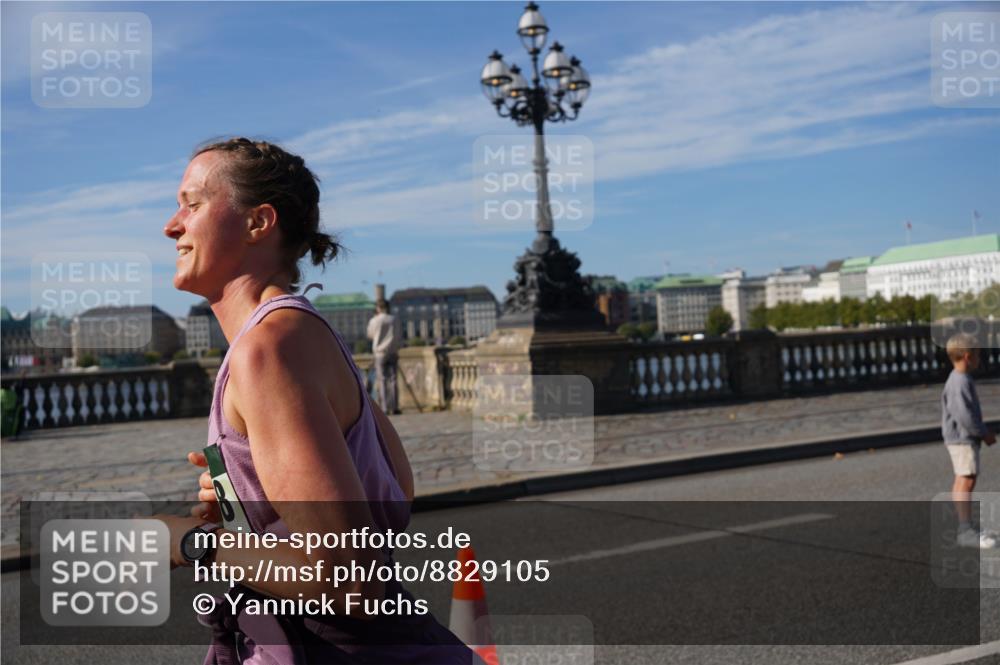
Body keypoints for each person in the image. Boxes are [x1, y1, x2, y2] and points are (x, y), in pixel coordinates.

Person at [160, 137, 475, 663]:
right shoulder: (306, 331)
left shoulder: (269, 347)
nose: (172, 225)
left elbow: (351, 580)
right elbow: (394, 492)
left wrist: (190, 541)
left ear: (259, 222)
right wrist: (245, 510)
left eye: (192, 204)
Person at [941, 332, 997, 549]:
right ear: (967, 356)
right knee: (967, 479)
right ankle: (965, 529)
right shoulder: (960, 381)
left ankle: (965, 526)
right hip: (963, 438)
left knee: (961, 480)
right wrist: (983, 433)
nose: (980, 359)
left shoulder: (958, 379)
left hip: (958, 437)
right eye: (978, 355)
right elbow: (965, 416)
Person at [367, 301, 401, 415]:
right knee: (393, 380)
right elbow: (398, 335)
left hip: (380, 353)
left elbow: (370, 335)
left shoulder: (374, 320)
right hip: (392, 352)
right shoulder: (393, 319)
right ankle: (395, 407)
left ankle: (385, 408)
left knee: (382, 380)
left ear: (378, 308)